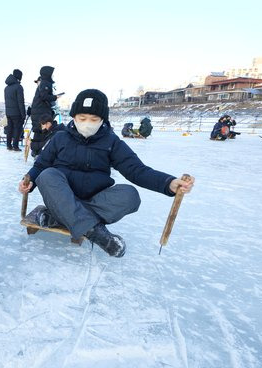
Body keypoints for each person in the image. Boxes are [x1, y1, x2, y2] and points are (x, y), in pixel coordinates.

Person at [18, 89, 194, 258]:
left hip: (94, 201)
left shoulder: (111, 142)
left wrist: (168, 183)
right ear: (74, 117)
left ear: (103, 119)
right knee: (48, 175)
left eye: (94, 118)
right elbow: (41, 165)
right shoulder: (60, 138)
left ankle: (60, 218)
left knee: (130, 195)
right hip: (62, 197)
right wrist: (30, 179)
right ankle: (94, 231)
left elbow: (136, 170)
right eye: (82, 117)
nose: (87, 122)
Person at [30, 66, 61, 150]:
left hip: (40, 110)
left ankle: (36, 149)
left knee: (40, 130)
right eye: (52, 74)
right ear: (48, 74)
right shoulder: (45, 83)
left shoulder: (44, 83)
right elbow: (44, 96)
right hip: (41, 111)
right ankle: (37, 150)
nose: (53, 76)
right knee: (41, 130)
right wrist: (55, 97)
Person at [3, 69, 26, 151]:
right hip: (17, 113)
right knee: (17, 128)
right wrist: (23, 114)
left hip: (8, 112)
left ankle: (9, 145)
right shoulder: (18, 87)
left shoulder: (6, 88)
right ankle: (15, 146)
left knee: (10, 128)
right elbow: (20, 102)